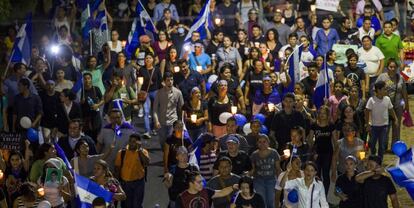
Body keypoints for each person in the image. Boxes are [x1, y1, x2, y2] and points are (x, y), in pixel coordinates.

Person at [377, 58, 409, 149]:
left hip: (397, 106)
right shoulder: (382, 77)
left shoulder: (400, 78)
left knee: (396, 126)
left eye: (394, 67)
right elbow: (375, 90)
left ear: (397, 68)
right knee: (385, 127)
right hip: (385, 106)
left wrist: (406, 106)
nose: (393, 69)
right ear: (387, 67)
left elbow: (404, 92)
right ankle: (383, 146)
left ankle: (395, 147)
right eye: (391, 67)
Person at [115, 134, 150, 208]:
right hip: (125, 183)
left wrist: (140, 150)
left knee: (137, 205)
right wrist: (117, 183)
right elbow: (117, 168)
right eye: (130, 141)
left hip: (138, 183)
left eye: (134, 142)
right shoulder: (122, 152)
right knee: (126, 205)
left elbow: (146, 163)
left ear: (139, 143)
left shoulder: (143, 152)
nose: (131, 143)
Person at [366, 81, 397, 161]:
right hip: (374, 126)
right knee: (372, 144)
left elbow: (391, 110)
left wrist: (395, 118)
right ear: (379, 90)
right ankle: (372, 159)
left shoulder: (387, 99)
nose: (386, 91)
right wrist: (368, 124)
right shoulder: (371, 100)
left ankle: (380, 160)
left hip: (384, 126)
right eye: (384, 89)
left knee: (382, 145)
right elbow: (367, 111)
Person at [154, 72, 185, 148]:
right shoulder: (159, 93)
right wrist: (156, 121)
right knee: (162, 142)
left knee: (170, 143)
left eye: (171, 80)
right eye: (168, 80)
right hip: (161, 122)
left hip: (173, 122)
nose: (170, 82)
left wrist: (181, 121)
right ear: (164, 82)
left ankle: (169, 158)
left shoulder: (178, 93)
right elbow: (155, 109)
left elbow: (182, 108)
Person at [250, 134, 281, 208]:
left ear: (268, 142)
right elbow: (253, 169)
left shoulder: (274, 153)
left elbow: (278, 168)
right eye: (260, 142)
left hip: (271, 180)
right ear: (257, 143)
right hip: (258, 181)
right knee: (262, 201)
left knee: (271, 201)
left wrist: (279, 182)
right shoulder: (254, 155)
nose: (262, 144)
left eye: (264, 141)